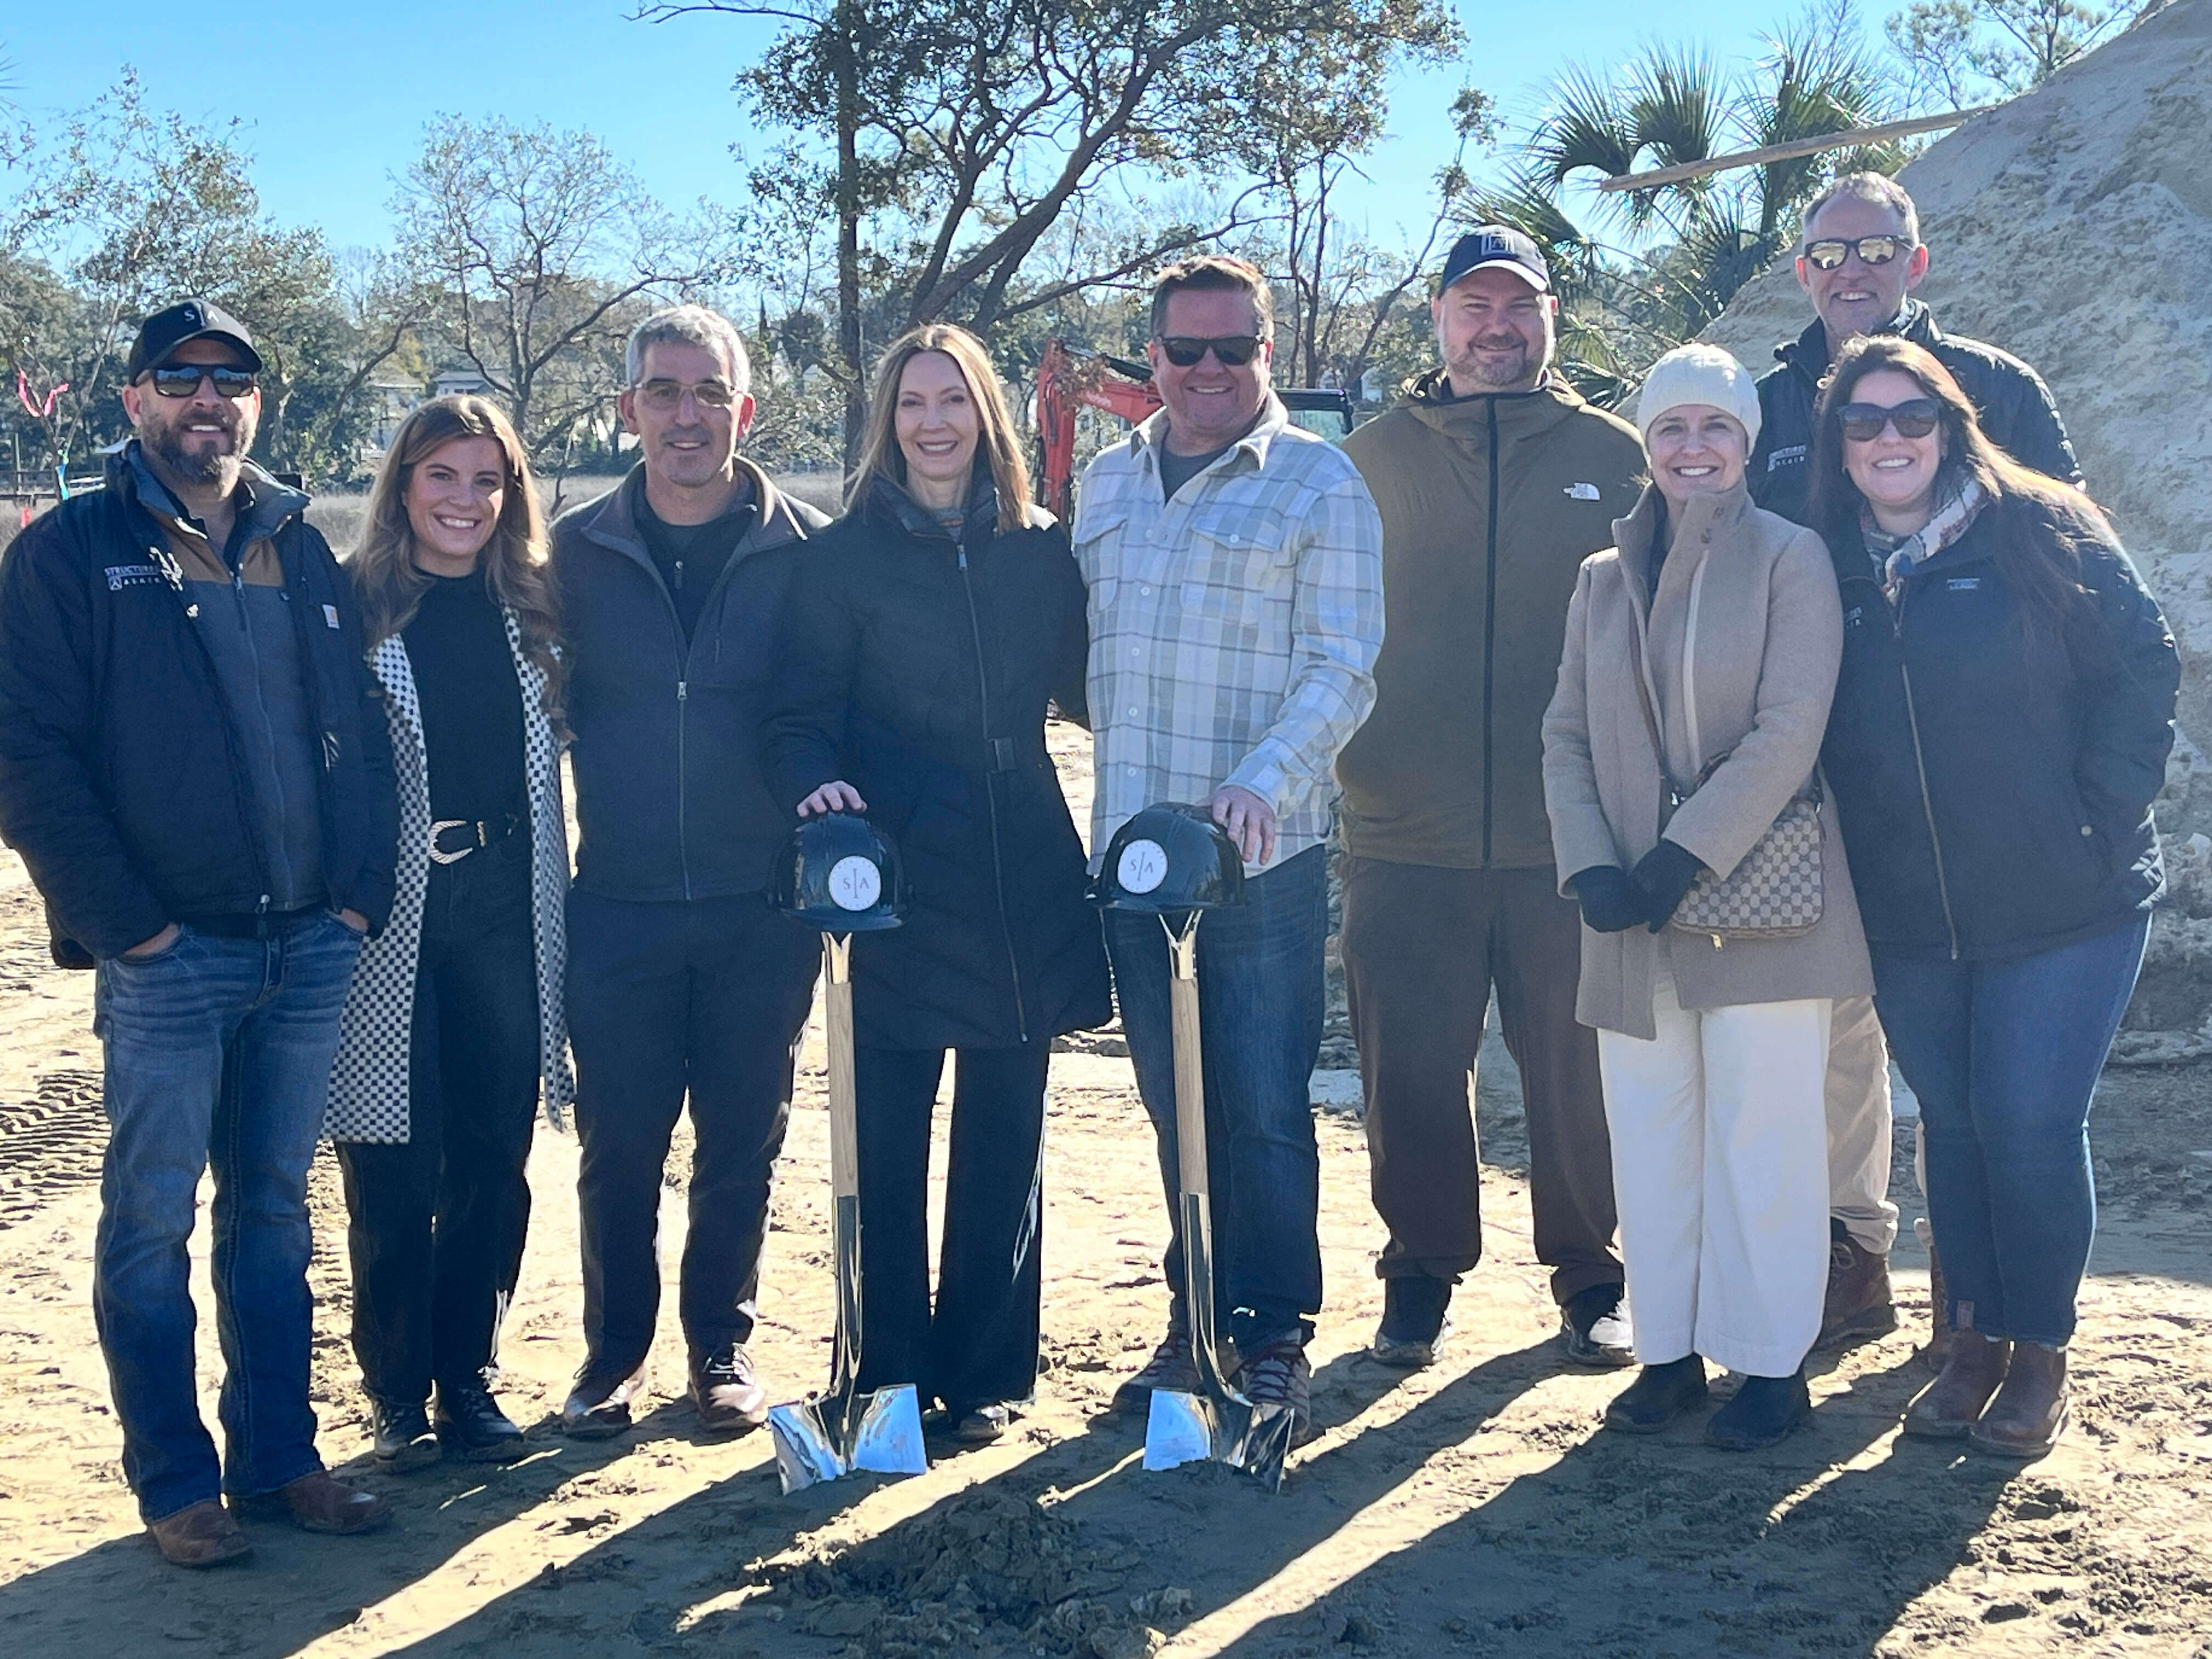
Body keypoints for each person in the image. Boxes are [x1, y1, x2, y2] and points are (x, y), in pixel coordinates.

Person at [0, 300, 398, 1564]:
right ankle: (177, 1485)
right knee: (152, 1225)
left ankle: (280, 1460)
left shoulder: (303, 546)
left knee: (274, 1216)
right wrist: (131, 929)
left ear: (258, 403)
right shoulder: (70, 552)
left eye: (233, 379)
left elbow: (362, 733)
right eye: (179, 378)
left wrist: (357, 896)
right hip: (170, 957)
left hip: (310, 946)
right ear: (134, 401)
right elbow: (24, 755)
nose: (207, 400)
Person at [1805, 336, 2175, 1458]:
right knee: (1957, 1127)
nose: (1889, 439)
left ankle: (2040, 1354)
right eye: (1863, 421)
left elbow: (2144, 666)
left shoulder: (2044, 526)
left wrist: (2095, 815)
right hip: (1911, 911)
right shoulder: (1819, 561)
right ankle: (1970, 1342)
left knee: (2028, 1123)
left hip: (2065, 899)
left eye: (1911, 416)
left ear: (1951, 425)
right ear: (1837, 444)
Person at [1747, 171, 2085, 1352]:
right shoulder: (1764, 408)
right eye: (1830, 252)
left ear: (1917, 261)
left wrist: (2076, 785)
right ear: (1803, 270)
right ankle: (1857, 1254)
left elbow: (2081, 580)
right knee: (1843, 1027)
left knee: (1980, 1075)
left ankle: (1971, 1306)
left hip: (1985, 785)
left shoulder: (1999, 390)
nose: (1854, 271)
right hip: (1830, 777)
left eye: (1877, 247)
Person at [763, 324, 1108, 1443]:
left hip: (1022, 863)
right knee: (885, 1132)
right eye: (912, 403)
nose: (933, 422)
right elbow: (795, 718)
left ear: (986, 415)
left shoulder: (1042, 551)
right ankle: (885, 1378)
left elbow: (1093, 689)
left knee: (1007, 1129)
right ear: (887, 423)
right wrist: (816, 788)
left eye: (952, 400)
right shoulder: (840, 559)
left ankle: (987, 1374)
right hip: (893, 873)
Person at [1542, 343, 1875, 1450]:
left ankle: (1772, 1364)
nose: (1694, 448)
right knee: (1651, 1138)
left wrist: (1686, 852)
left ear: (1746, 442)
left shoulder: (1790, 557)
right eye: (1673, 428)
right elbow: (1565, 734)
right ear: (1648, 443)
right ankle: (1670, 1353)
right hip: (1630, 916)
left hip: (1761, 903)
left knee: (1764, 1140)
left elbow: (1791, 728)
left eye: (1716, 427)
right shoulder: (1601, 578)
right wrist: (1592, 862)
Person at [1077, 255, 1384, 1442]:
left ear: (1268, 350)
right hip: (1131, 859)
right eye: (1185, 350)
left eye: (1235, 349)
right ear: (1151, 356)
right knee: (1175, 1103)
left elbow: (1343, 667)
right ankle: (1193, 1314)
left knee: (1258, 1104)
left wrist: (1261, 783)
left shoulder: (1320, 483)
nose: (1210, 370)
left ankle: (1272, 1337)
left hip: (1261, 857)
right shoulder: (1106, 481)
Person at [1335, 225, 1644, 1371]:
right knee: (1409, 1070)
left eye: (1519, 305)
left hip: (1572, 834)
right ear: (1439, 318)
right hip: (1399, 828)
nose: (1496, 327)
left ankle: (1593, 1275)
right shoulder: (1365, 461)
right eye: (1475, 305)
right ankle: (1419, 1274)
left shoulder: (1618, 457)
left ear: (1551, 317)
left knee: (1579, 1072)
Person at [549, 305, 829, 1438]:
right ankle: (613, 1355)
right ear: (629, 410)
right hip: (616, 904)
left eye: (710, 392)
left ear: (744, 409)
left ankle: (719, 1348)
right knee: (619, 1144)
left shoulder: (806, 550)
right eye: (663, 392)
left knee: (740, 1142)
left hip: (761, 908)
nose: (687, 414)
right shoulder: (568, 553)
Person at [324, 397, 573, 1469]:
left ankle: (467, 1375)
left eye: (489, 480)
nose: (465, 500)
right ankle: (395, 1391)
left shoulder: (537, 609)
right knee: (390, 1155)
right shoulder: (351, 606)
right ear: (404, 484)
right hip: (387, 911)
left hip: (506, 901)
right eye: (442, 475)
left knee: (492, 1151)